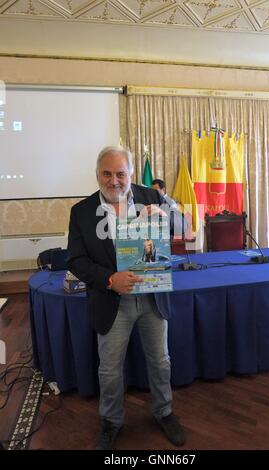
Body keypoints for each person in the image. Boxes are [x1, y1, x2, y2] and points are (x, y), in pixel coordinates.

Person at [67, 146, 186, 450]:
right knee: (109, 368)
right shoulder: (81, 212)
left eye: (121, 173)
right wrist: (109, 279)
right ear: (97, 175)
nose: (114, 180)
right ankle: (111, 422)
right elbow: (76, 261)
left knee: (160, 361)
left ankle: (164, 412)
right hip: (112, 301)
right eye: (107, 173)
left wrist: (166, 216)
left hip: (152, 297)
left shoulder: (152, 196)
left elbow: (183, 227)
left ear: (131, 174)